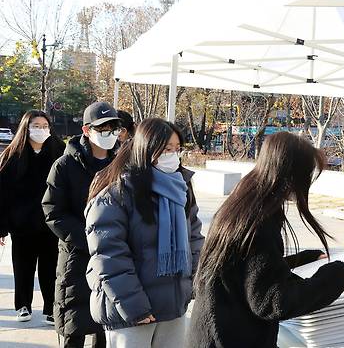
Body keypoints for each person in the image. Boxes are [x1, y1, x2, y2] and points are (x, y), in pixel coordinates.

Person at [188, 132, 344, 348]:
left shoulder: (244, 203)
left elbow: (247, 270)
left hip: (213, 332)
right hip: (230, 338)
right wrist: (336, 275)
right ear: (291, 173)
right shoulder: (259, 221)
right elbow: (270, 301)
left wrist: (303, 260)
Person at [85, 118, 204, 348]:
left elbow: (195, 239)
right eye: (167, 149)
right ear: (146, 148)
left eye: (177, 149)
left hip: (173, 306)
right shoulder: (116, 195)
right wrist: (134, 307)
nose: (173, 156)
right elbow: (109, 257)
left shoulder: (181, 188)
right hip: (130, 312)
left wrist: (191, 285)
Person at [42, 101, 122, 348]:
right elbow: (53, 210)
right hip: (77, 254)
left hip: (112, 253)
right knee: (74, 321)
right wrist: (86, 238)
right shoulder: (65, 166)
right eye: (103, 128)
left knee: (105, 324)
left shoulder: (122, 165)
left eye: (114, 128)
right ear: (87, 130)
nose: (109, 134)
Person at [0, 110, 65, 324]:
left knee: (50, 268)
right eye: (36, 126)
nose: (41, 130)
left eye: (45, 125)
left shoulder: (59, 152)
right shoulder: (12, 155)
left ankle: (50, 308)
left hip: (51, 223)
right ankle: (23, 305)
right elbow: (2, 193)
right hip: (21, 224)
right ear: (26, 128)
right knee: (23, 267)